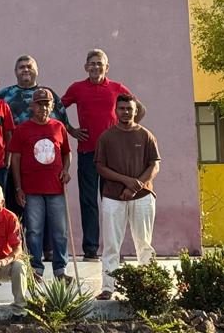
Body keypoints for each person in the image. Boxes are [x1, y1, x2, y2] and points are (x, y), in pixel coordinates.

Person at [60, 48, 133, 261]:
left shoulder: (116, 88)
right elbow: (57, 109)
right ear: (85, 67)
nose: (95, 67)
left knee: (112, 203)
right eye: (91, 63)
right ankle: (91, 250)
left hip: (113, 156)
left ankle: (113, 250)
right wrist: (71, 130)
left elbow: (137, 109)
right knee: (88, 201)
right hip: (87, 153)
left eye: (99, 63)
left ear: (106, 67)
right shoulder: (77, 88)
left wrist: (125, 132)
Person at [96, 94, 160, 300]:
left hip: (142, 197)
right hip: (112, 199)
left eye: (129, 109)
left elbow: (154, 165)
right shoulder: (106, 137)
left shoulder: (146, 135)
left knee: (144, 243)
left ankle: (148, 285)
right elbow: (100, 167)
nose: (125, 112)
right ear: (116, 111)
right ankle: (108, 287)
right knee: (111, 245)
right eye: (122, 108)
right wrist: (126, 181)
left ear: (135, 111)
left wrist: (135, 186)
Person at [9, 88, 72, 281]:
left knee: (59, 231)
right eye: (40, 104)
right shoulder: (22, 129)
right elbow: (16, 160)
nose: (43, 107)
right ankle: (36, 268)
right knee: (34, 230)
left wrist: (66, 170)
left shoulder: (59, 127)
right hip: (32, 188)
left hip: (56, 188)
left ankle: (60, 269)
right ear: (32, 106)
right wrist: (18, 188)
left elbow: (66, 153)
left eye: (47, 103)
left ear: (52, 106)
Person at [0, 55, 67, 219]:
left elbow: (63, 124)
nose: (26, 69)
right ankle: (17, 243)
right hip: (15, 158)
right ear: (15, 72)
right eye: (21, 67)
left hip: (45, 163)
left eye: (29, 66)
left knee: (46, 213)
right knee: (15, 207)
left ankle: (45, 245)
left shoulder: (49, 96)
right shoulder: (4, 96)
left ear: (36, 70)